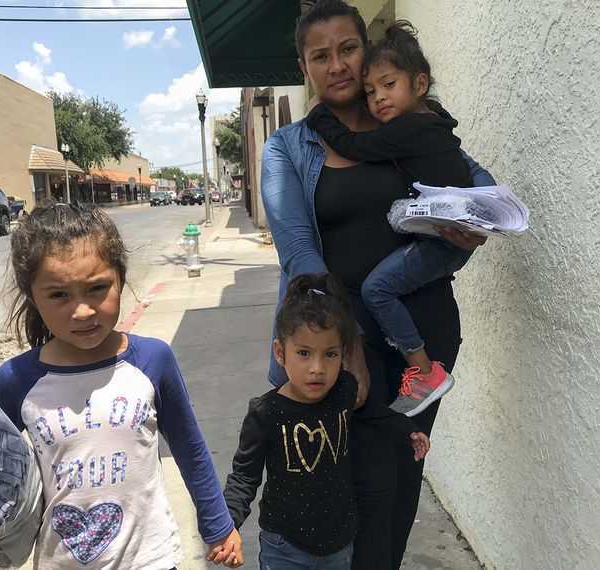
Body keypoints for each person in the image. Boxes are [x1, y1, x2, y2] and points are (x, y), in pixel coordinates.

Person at [261, 1, 495, 568]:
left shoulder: (405, 124)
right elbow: (300, 255)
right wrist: (353, 349)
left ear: (367, 51)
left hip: (424, 334)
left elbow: (478, 189)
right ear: (305, 66)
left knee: (402, 481)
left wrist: (470, 226)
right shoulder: (288, 148)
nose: (338, 65)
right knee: (357, 487)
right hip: (344, 342)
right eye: (322, 56)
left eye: (348, 48)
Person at [0, 202, 243, 569]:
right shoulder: (15, 380)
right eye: (59, 295)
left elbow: (190, 447)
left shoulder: (153, 361)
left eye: (96, 288)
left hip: (150, 559)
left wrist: (218, 524)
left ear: (121, 280)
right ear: (32, 296)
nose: (81, 311)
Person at [305, 19, 477, 417]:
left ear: (419, 85)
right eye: (371, 91)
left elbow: (351, 144)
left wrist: (318, 115)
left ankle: (422, 370)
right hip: (439, 240)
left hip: (440, 246)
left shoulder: (406, 130)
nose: (379, 98)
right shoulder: (432, 121)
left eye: (388, 85)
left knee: (378, 289)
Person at [223, 273, 430, 570]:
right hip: (285, 546)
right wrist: (227, 523)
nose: (317, 368)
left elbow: (371, 411)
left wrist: (406, 430)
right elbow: (244, 476)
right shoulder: (266, 413)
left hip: (339, 544)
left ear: (343, 354)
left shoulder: (343, 390)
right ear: (281, 352)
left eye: (330, 354)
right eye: (304, 353)